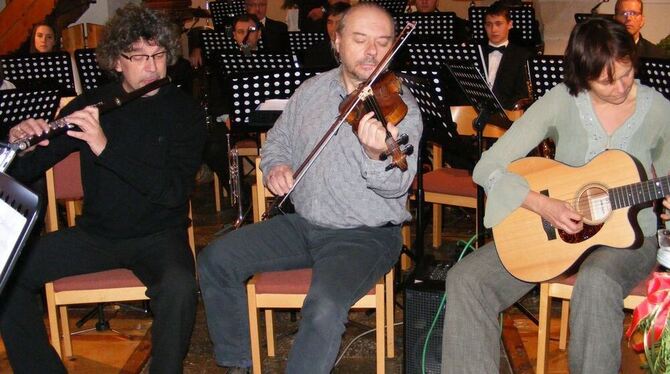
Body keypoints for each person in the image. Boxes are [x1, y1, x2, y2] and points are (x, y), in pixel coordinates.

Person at [198, 3, 421, 373]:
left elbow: (397, 183)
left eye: (383, 42)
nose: (372, 51)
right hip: (304, 225)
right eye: (360, 39)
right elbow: (278, 143)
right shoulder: (311, 91)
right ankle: (238, 361)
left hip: (364, 235)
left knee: (323, 309)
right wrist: (276, 167)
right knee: (215, 260)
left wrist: (373, 154)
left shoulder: (402, 108)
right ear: (337, 42)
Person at [441, 17, 670, 374]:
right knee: (467, 280)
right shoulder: (563, 100)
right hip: (552, 231)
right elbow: (488, 167)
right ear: (583, 76)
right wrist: (541, 204)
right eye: (606, 81)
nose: (622, 86)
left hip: (629, 239)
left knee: (597, 280)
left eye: (626, 73)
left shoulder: (658, 109)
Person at [0, 4, 206, 374]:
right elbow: (29, 167)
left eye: (159, 55)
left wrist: (105, 147)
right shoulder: (93, 105)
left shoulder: (184, 112)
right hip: (97, 234)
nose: (151, 66)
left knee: (179, 289)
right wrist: (19, 140)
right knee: (7, 273)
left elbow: (173, 192)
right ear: (116, 61)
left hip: (159, 235)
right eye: (139, 56)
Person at [481, 1, 532, 110]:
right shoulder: (476, 52)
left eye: (498, 24)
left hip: (506, 114)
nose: (493, 29)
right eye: (489, 24)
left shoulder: (522, 56)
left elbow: (522, 94)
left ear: (510, 25)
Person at [302, 2, 351, 69]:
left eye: (338, 22)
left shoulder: (360, 50)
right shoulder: (315, 52)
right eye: (329, 23)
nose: (334, 28)